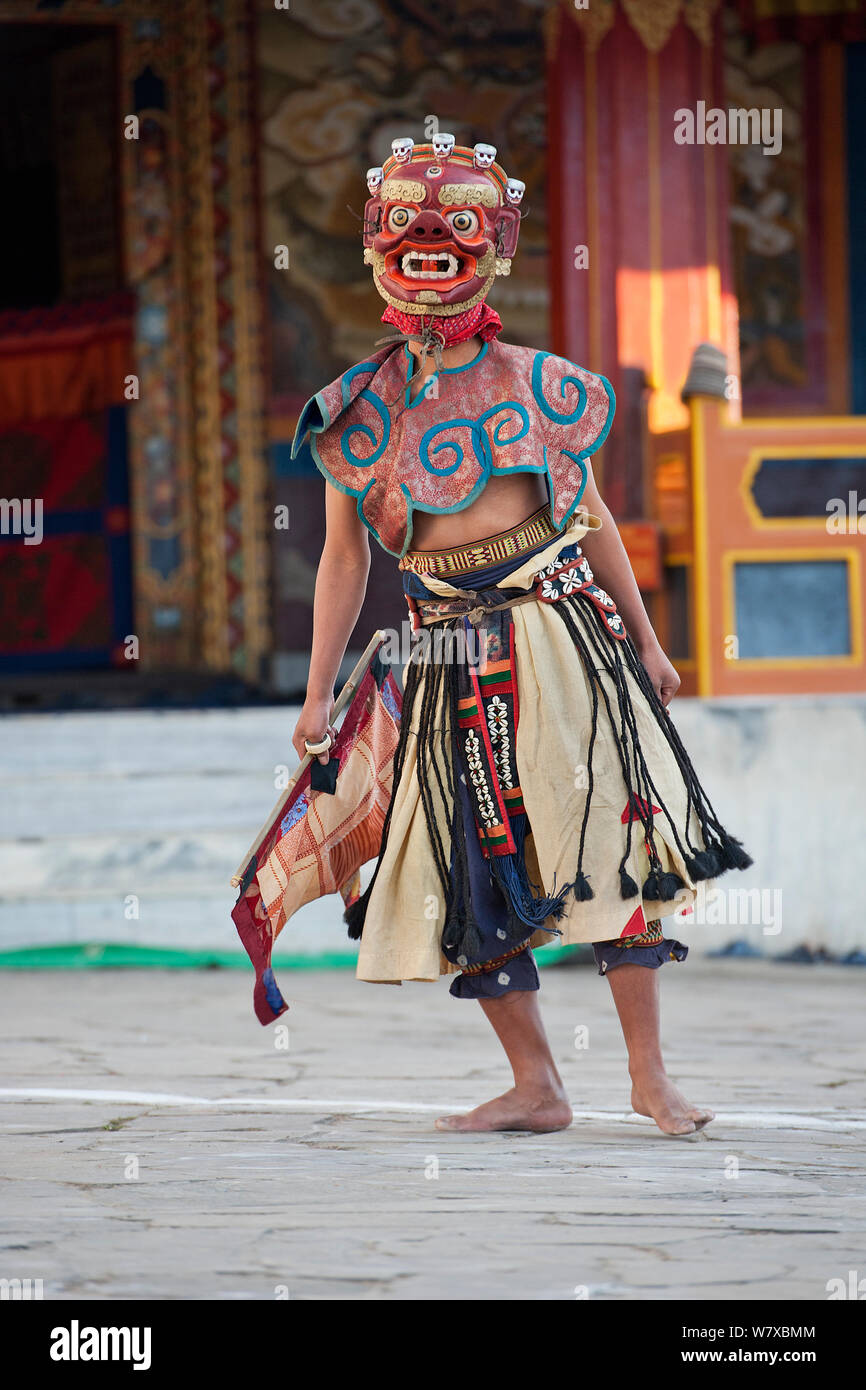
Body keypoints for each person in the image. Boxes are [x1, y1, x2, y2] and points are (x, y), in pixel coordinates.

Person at [290, 137, 751, 1137]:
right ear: (375, 248)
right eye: (403, 231)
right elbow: (342, 564)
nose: (425, 249)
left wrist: (648, 639)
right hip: (442, 651)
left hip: (556, 632)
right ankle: (537, 1084)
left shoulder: (538, 385)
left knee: (612, 843)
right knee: (469, 863)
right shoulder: (355, 410)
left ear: (491, 246)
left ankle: (646, 1077)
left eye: (448, 229)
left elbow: (592, 518)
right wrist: (318, 693)